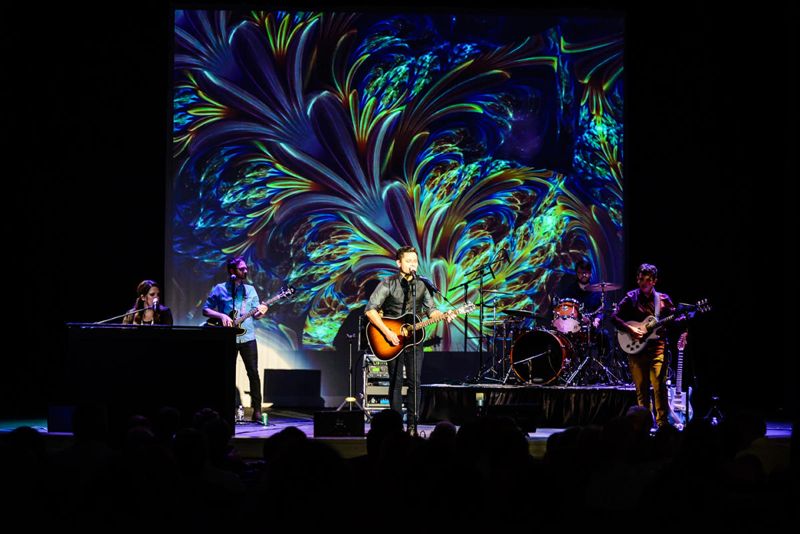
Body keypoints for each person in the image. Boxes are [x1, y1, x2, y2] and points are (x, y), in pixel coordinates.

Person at [364, 246, 450, 434]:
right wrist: (387, 332)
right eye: (408, 261)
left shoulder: (422, 285)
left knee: (414, 382)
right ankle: (396, 427)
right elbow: (370, 310)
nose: (413, 264)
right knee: (395, 383)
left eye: (415, 261)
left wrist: (442, 315)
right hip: (392, 339)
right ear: (399, 263)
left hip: (414, 340)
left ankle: (412, 425)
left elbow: (431, 310)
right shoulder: (388, 283)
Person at [610, 263, 678, 428]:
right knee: (642, 390)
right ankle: (644, 425)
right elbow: (614, 317)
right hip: (637, 351)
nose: (643, 283)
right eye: (641, 279)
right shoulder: (631, 297)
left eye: (647, 280)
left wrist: (683, 320)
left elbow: (674, 320)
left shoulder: (663, 299)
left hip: (658, 349)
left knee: (659, 388)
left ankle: (662, 426)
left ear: (654, 281)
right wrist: (630, 329)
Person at [203, 256, 268, 422]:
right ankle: (225, 408)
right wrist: (222, 315)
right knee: (226, 374)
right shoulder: (220, 289)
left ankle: (257, 410)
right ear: (232, 271)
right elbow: (206, 309)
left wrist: (261, 312)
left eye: (246, 268)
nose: (245, 271)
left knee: (253, 373)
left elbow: (257, 315)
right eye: (241, 269)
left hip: (248, 337)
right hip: (227, 338)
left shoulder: (250, 290)